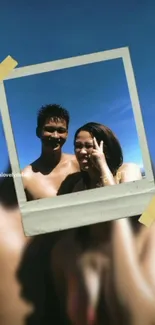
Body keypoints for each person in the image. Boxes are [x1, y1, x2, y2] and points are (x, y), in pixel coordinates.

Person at [58, 122, 142, 194]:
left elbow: (119, 203)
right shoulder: (81, 186)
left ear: (106, 150)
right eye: (78, 146)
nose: (82, 151)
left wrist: (102, 165)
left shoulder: (127, 171)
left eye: (89, 146)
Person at [22, 104, 79, 200]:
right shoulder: (25, 178)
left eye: (61, 130)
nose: (55, 136)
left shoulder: (79, 164)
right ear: (38, 132)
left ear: (67, 134)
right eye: (49, 129)